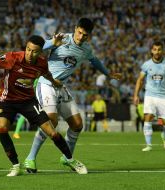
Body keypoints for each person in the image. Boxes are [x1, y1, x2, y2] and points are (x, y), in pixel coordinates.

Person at [0, 35, 87, 176]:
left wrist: (54, 82)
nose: (30, 53)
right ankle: (16, 165)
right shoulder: (13, 58)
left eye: (34, 51)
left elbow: (46, 74)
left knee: (52, 131)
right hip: (8, 101)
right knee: (1, 127)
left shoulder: (41, 63)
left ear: (40, 51)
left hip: (28, 101)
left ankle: (71, 160)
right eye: (28, 49)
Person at [24, 18, 122, 172]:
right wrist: (53, 43)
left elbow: (94, 61)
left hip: (61, 86)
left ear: (89, 36)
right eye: (79, 32)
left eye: (85, 35)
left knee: (77, 124)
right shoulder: (63, 39)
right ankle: (30, 158)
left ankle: (66, 157)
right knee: (51, 121)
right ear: (75, 28)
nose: (81, 36)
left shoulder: (86, 49)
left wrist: (108, 73)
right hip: (46, 83)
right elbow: (39, 47)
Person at [133, 40, 165, 151]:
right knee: (148, 117)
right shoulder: (146, 64)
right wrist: (136, 95)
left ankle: (164, 137)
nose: (157, 52)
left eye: (159, 49)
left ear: (162, 50)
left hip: (164, 96)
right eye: (155, 49)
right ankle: (149, 145)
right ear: (151, 51)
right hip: (150, 95)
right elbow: (140, 80)